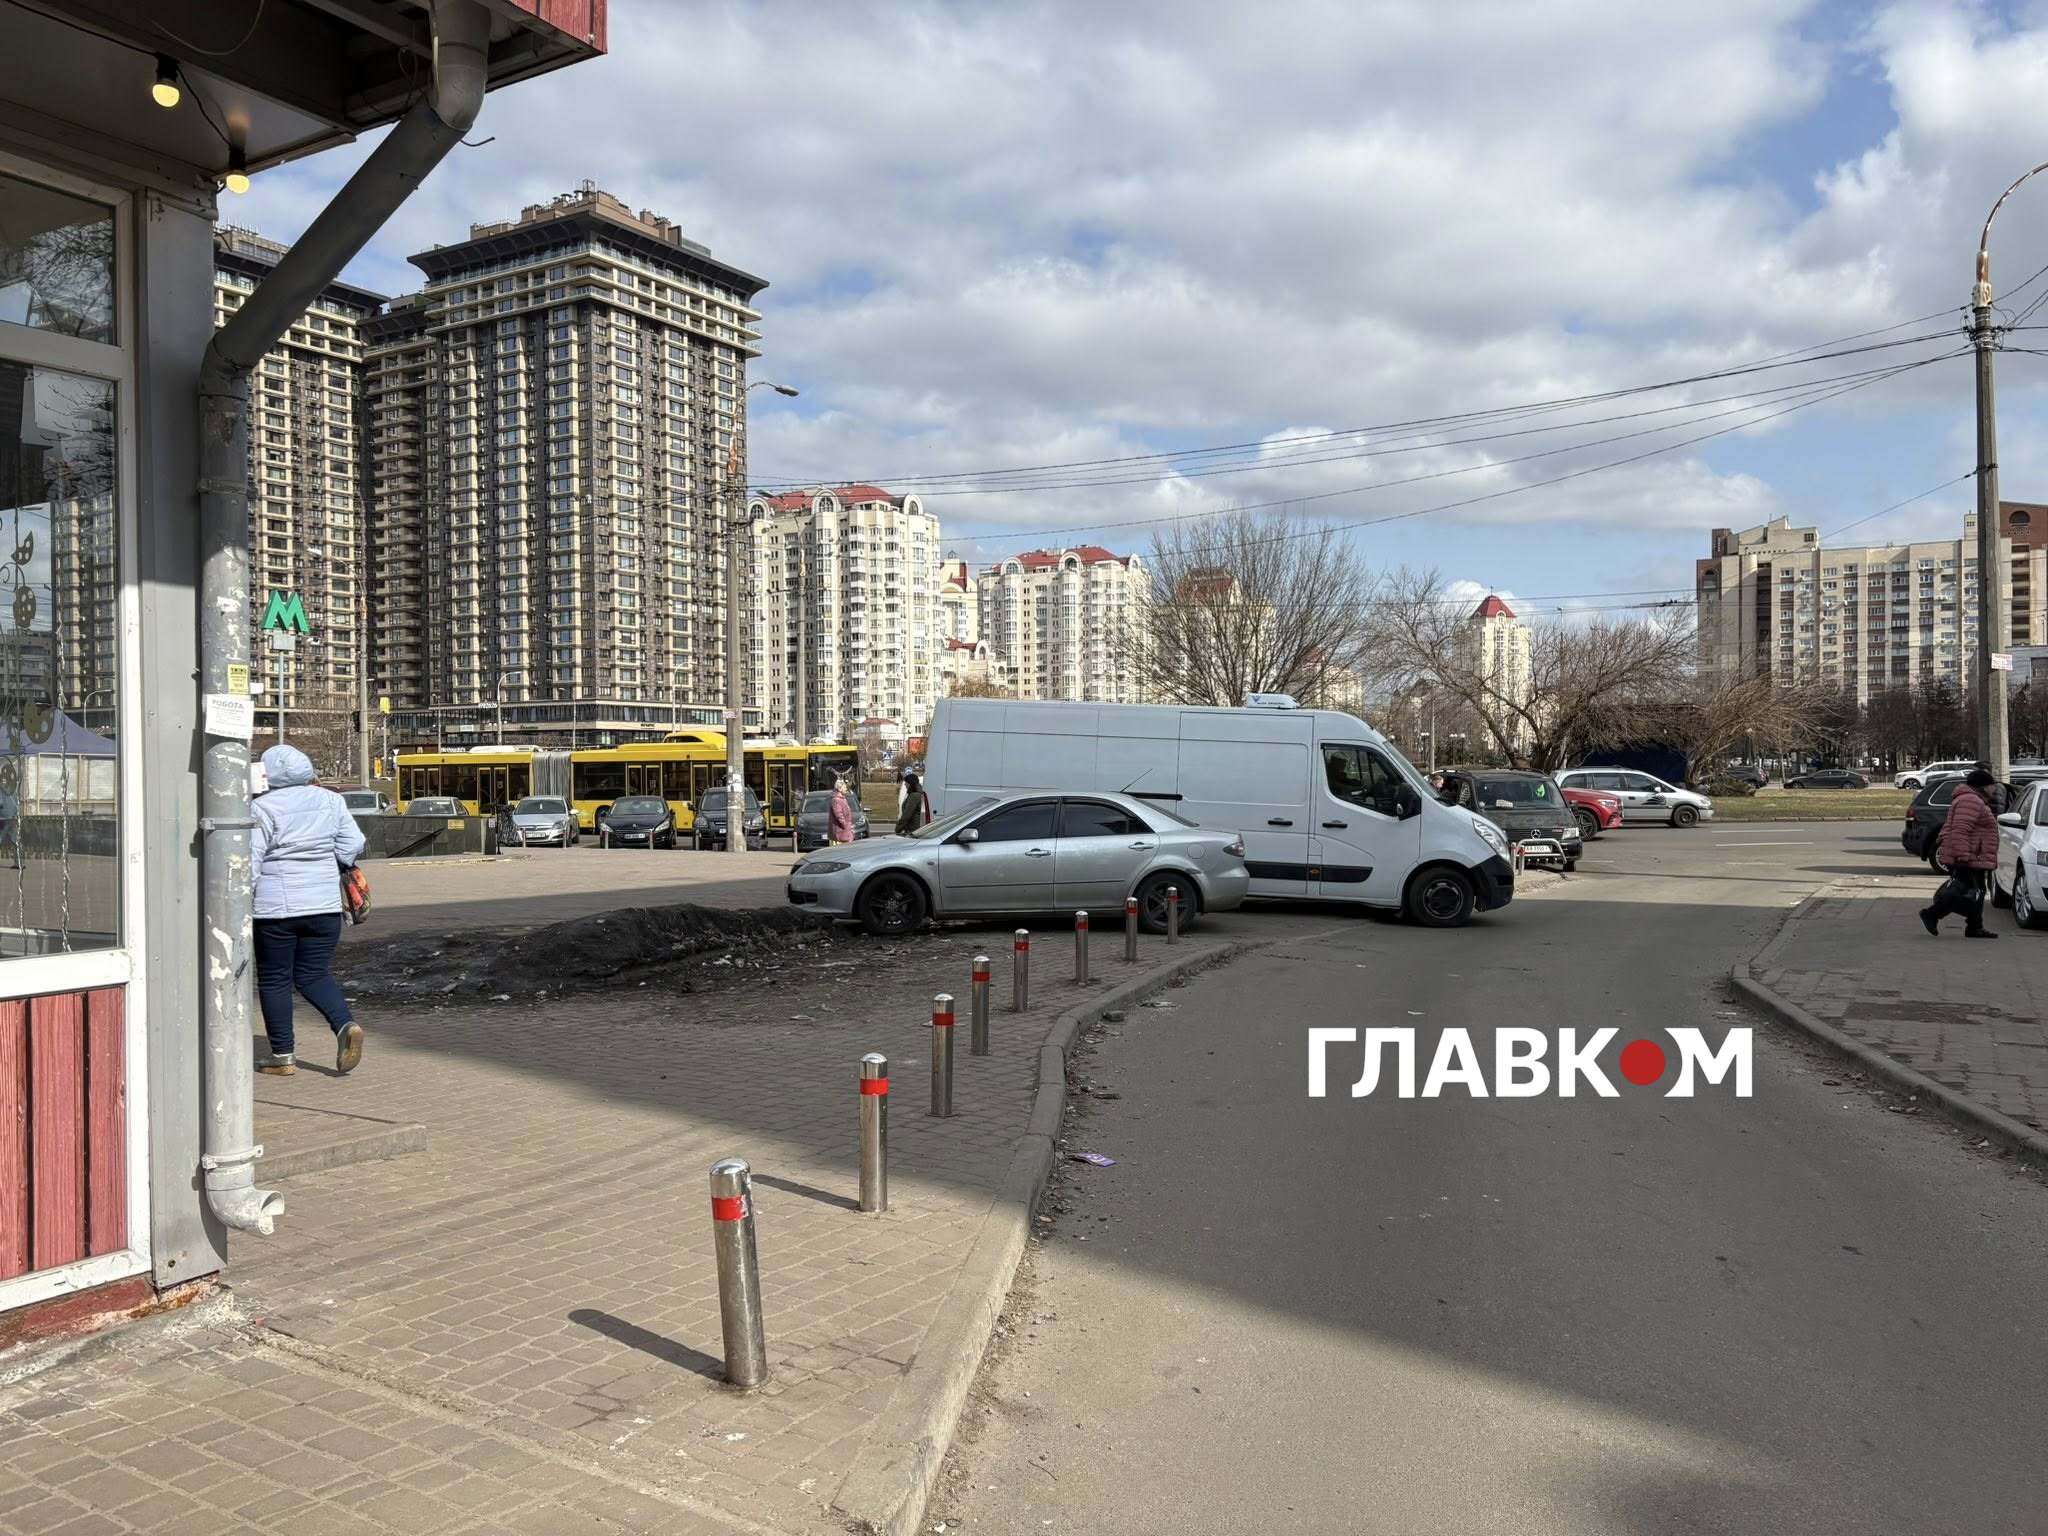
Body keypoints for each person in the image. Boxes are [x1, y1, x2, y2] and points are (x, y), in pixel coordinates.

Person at [251, 744, 369, 1075]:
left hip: (275, 910)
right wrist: (328, 863)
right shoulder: (332, 801)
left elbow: (251, 860)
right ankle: (344, 1024)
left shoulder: (261, 808)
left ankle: (282, 1056)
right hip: (324, 907)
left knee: (274, 979)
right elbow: (353, 843)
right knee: (313, 974)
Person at [1922, 766, 2001, 939]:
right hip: (1968, 856)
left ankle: (1974, 927)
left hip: (1973, 855)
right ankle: (1931, 914)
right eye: (1992, 785)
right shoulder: (1971, 801)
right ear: (1983, 786)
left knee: (1977, 891)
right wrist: (1963, 855)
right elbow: (1960, 829)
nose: (1994, 788)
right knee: (1962, 891)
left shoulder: (1972, 799)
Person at [896, 771, 929, 836]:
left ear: (910, 783)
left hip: (913, 830)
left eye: (906, 783)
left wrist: (898, 829)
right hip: (915, 828)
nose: (905, 785)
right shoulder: (917, 793)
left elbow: (907, 815)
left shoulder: (914, 796)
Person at [828, 779, 856, 845]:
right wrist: (845, 825)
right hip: (840, 833)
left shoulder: (842, 798)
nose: (846, 789)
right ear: (840, 789)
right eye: (844, 787)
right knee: (841, 850)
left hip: (844, 832)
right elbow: (839, 815)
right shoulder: (836, 800)